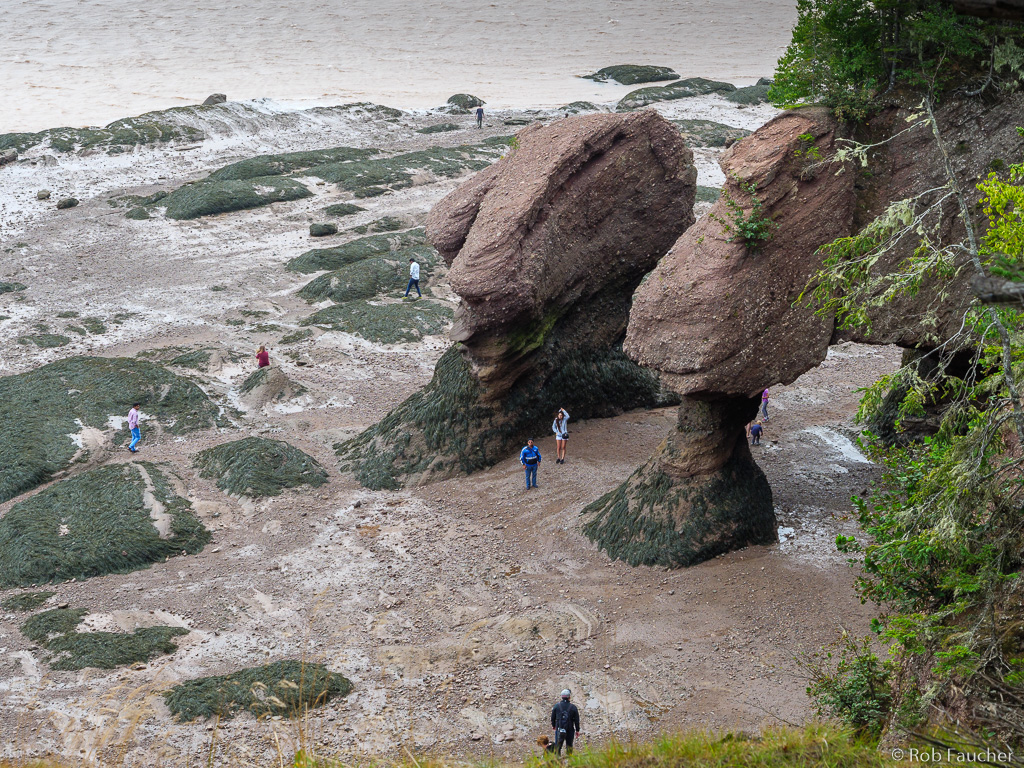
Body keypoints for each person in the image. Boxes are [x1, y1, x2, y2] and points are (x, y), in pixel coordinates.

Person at [550, 689, 580, 756]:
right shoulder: (573, 707)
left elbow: (552, 717)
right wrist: (577, 730)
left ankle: (558, 762)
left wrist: (554, 725)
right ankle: (570, 761)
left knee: (558, 747)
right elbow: (577, 720)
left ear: (561, 696)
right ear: (569, 697)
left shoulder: (557, 706)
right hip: (569, 729)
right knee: (569, 746)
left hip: (559, 728)